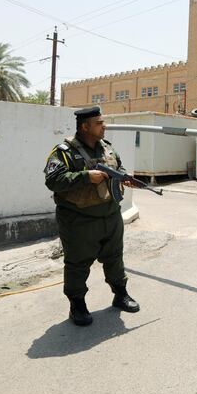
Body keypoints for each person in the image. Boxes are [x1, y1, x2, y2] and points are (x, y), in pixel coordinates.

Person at [44, 106, 140, 326]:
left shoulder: (107, 148)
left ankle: (120, 294)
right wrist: (86, 177)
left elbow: (119, 165)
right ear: (85, 126)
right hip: (79, 221)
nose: (104, 126)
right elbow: (53, 181)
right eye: (99, 123)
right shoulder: (64, 152)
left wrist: (124, 177)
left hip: (111, 216)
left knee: (115, 257)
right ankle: (77, 305)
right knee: (78, 263)